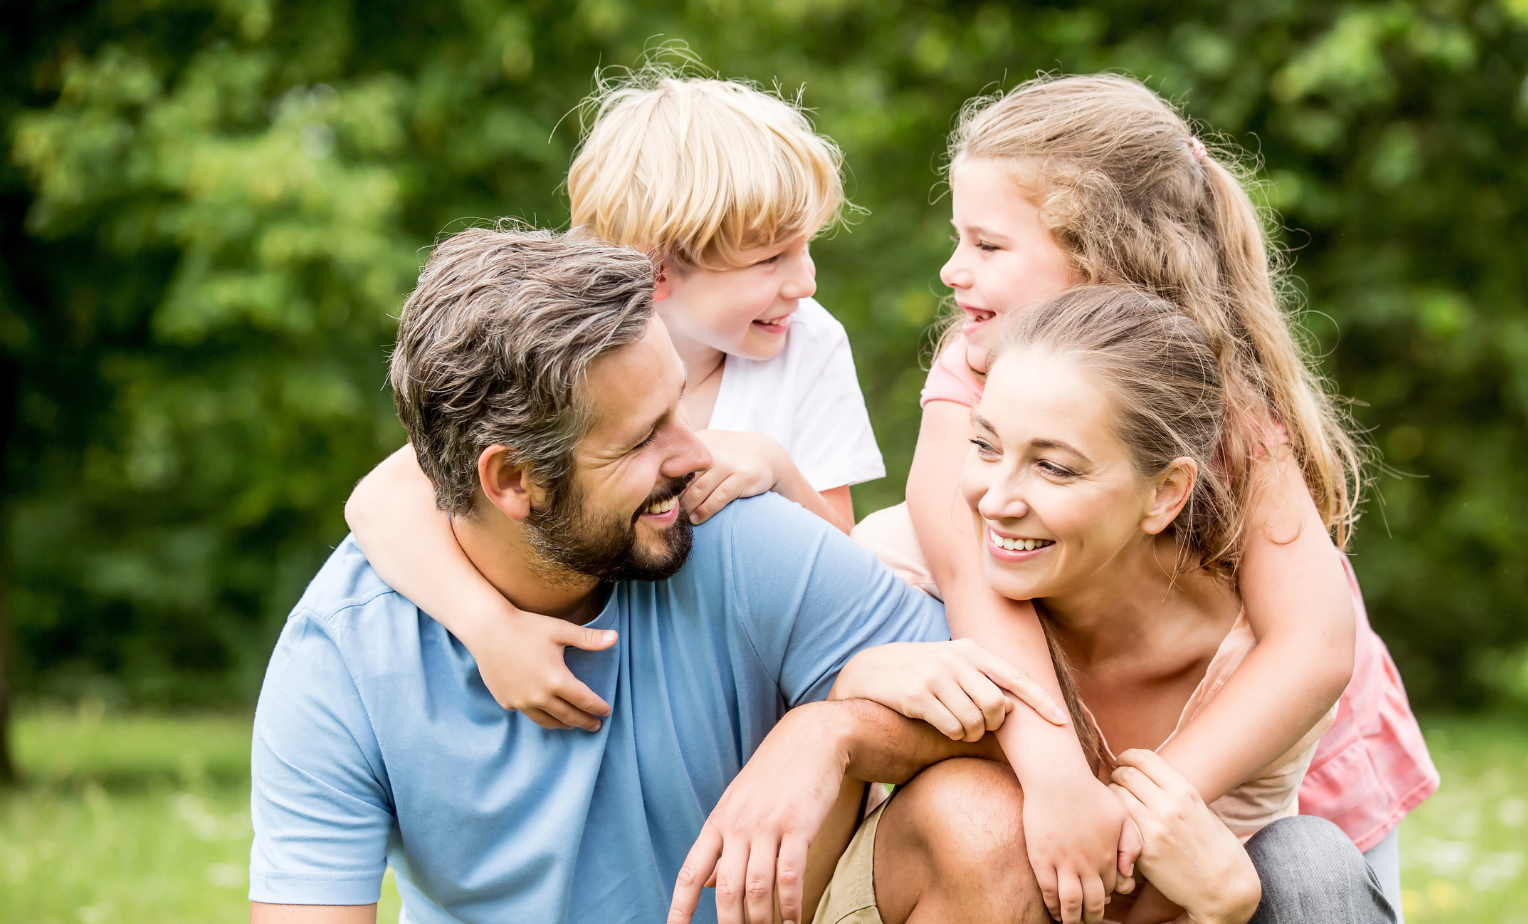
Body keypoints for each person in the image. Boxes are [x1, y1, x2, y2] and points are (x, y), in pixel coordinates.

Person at [248, 227, 1064, 924]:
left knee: (982, 821)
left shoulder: (733, 534)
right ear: (511, 483)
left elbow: (1009, 714)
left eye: (680, 407)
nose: (697, 453)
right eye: (641, 440)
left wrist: (832, 731)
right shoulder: (345, 657)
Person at [850, 74, 1437, 919]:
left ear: (1097, 254)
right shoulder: (976, 364)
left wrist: (1143, 814)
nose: (953, 270)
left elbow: (1310, 647)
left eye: (988, 246)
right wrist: (1057, 781)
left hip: (1277, 733)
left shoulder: (1222, 394)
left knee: (1313, 874)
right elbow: (970, 566)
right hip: (1100, 722)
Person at [807, 286, 1397, 924]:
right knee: (977, 812)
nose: (995, 501)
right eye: (983, 446)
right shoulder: (902, 571)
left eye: (1054, 468)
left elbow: (1127, 896)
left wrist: (1222, 910)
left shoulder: (1260, 668)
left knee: (1313, 865)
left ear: (1165, 494)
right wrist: (851, 687)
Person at [342, 70, 886, 738]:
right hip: (602, 689)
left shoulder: (808, 343)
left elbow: (849, 572)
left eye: (806, 247)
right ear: (656, 271)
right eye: (771, 259)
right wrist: (490, 630)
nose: (804, 281)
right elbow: (378, 502)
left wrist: (778, 467)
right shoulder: (561, 346)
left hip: (745, 710)